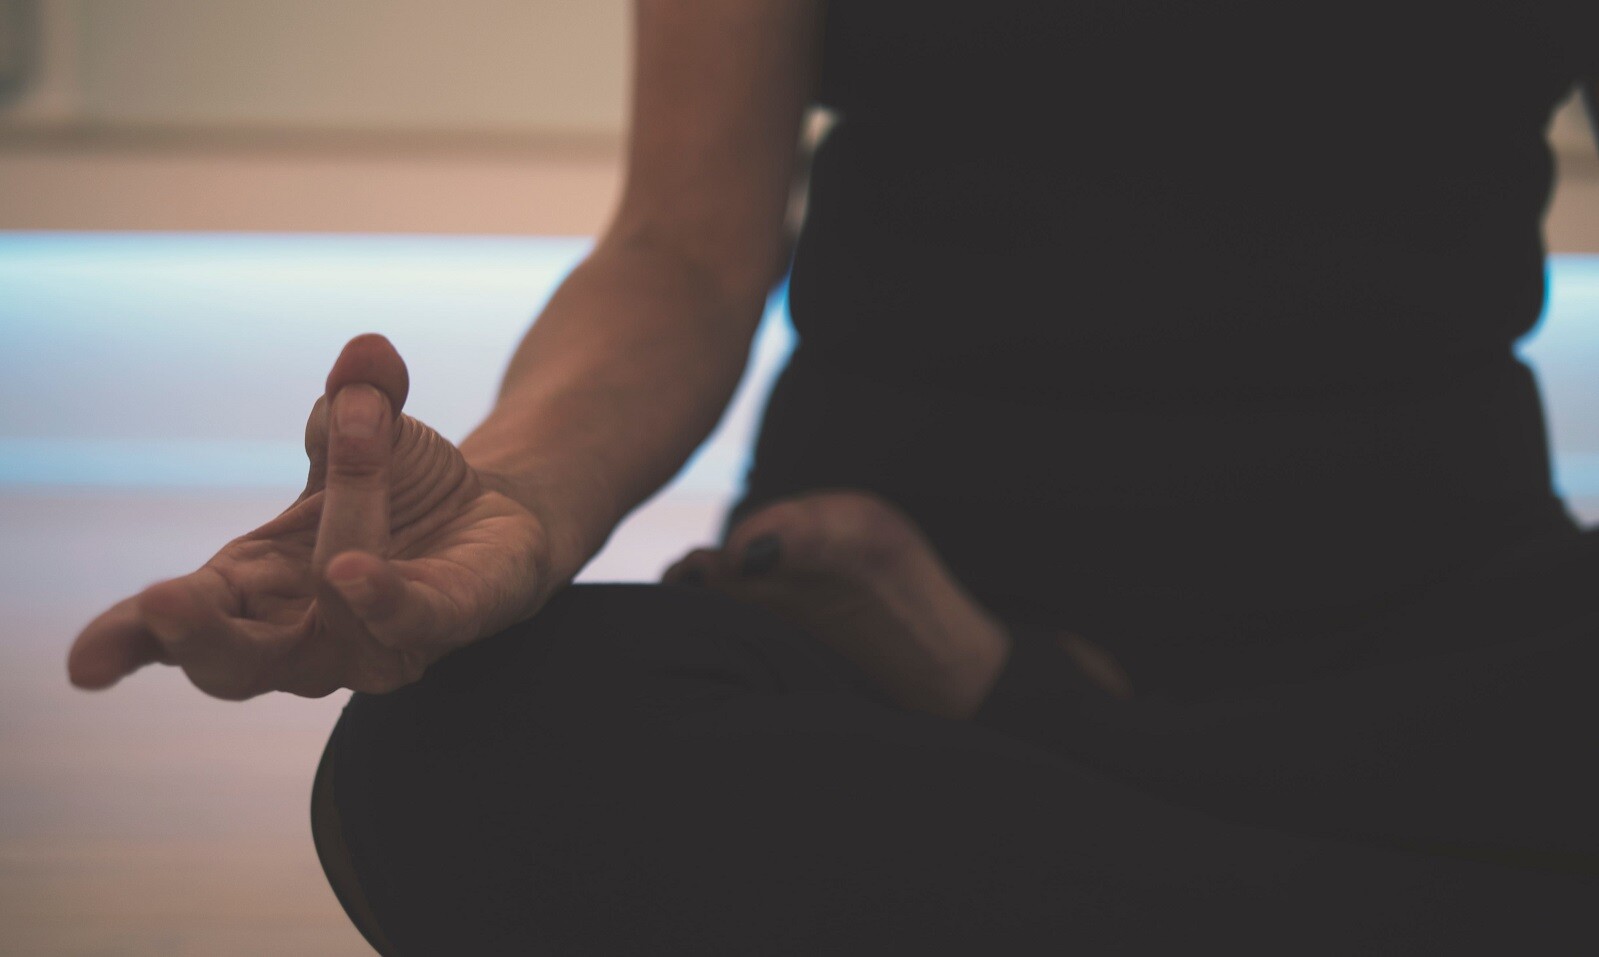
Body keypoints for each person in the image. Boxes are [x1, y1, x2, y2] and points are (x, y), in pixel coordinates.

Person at [69, 2, 1599, 953]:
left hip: (1426, 649)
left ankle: (1030, 716)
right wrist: (521, 503)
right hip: (855, 642)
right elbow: (682, 239)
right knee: (464, 763)